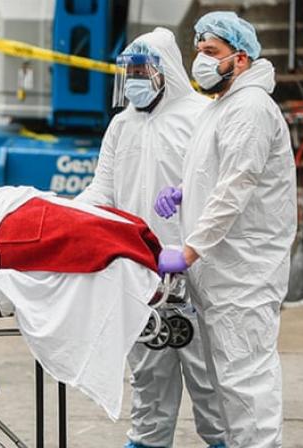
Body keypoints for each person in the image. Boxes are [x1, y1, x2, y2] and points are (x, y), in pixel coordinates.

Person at [76, 28, 226, 448]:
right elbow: (102, 191)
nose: (135, 79)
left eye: (142, 70)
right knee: (147, 374)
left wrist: (186, 198)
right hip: (141, 270)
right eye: (130, 72)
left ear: (165, 70)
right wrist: (69, 212)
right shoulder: (121, 126)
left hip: (195, 271)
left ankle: (224, 441)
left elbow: (223, 189)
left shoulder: (202, 116)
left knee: (209, 377)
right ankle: (146, 442)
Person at [154, 11, 296, 447]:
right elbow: (216, 172)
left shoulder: (251, 108)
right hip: (224, 270)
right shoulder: (222, 106)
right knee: (227, 378)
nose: (201, 61)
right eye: (198, 51)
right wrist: (183, 191)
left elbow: (237, 185)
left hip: (244, 270)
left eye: (211, 53)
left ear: (240, 59)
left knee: (245, 375)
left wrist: (191, 248)